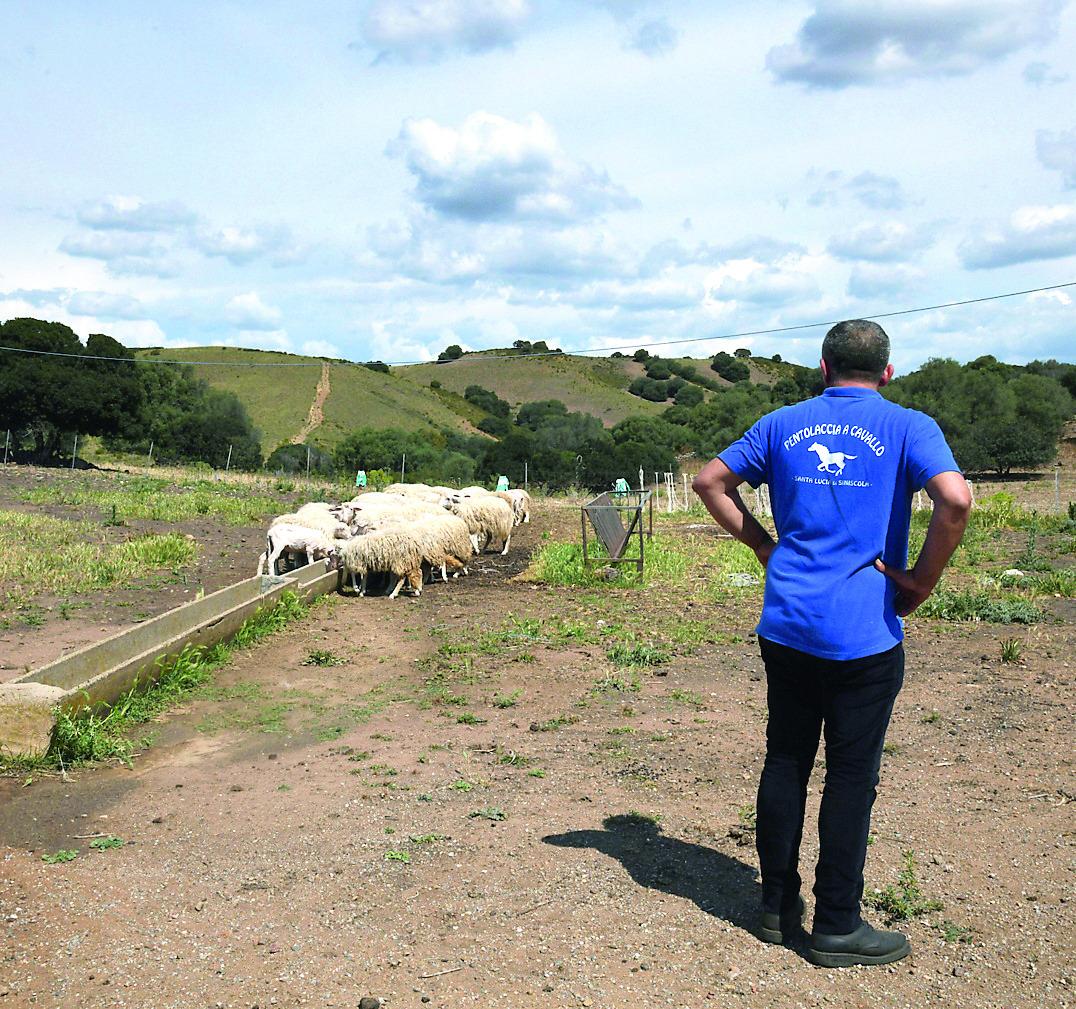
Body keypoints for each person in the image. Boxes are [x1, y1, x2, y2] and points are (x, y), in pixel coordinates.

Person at [692, 320, 970, 967]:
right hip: (864, 632)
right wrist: (921, 580)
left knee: (786, 758)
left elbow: (709, 482)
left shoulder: (782, 423)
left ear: (823, 367)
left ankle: (775, 907)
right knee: (850, 775)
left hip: (788, 624)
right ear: (887, 372)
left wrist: (765, 546)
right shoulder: (909, 425)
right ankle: (838, 924)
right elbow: (955, 501)